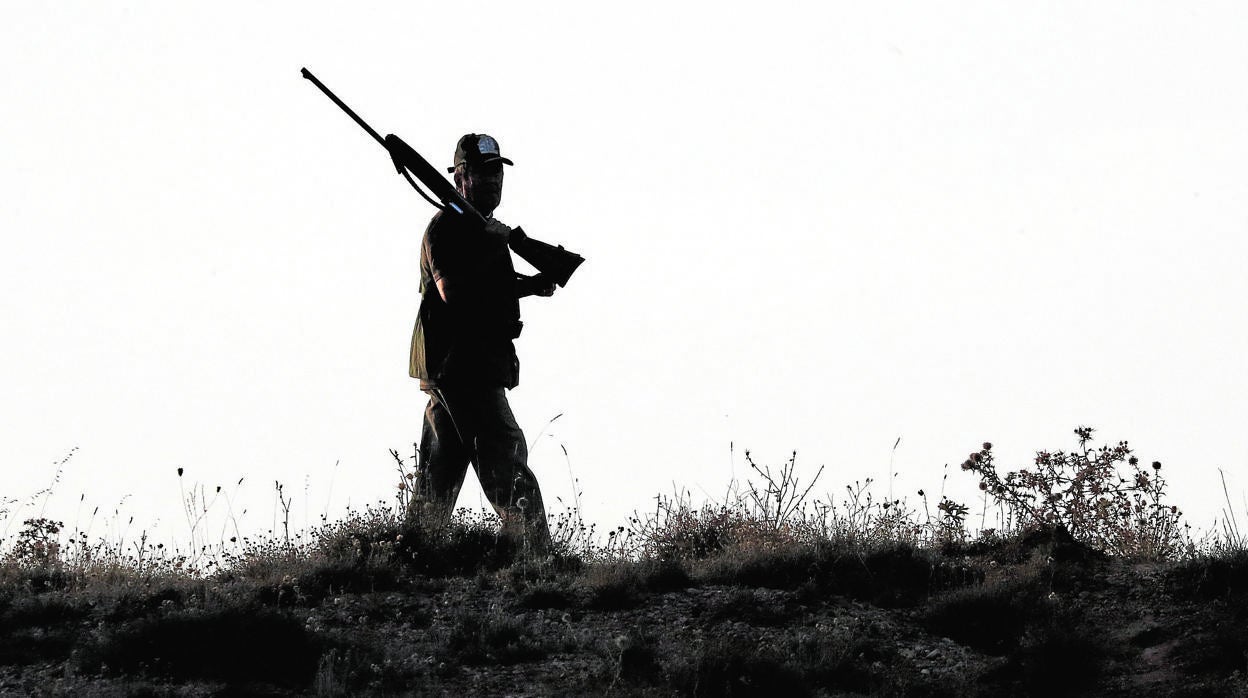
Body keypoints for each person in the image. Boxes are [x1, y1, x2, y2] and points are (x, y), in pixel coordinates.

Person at [407, 133, 557, 552]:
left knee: (439, 473)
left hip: (466, 365)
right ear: (459, 177)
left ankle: (416, 555)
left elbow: (490, 285)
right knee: (505, 456)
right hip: (462, 367)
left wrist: (531, 286)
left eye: (497, 172)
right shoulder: (447, 229)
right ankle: (537, 558)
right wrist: (496, 245)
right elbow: (453, 292)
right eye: (480, 172)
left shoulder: (480, 231)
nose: (493, 180)